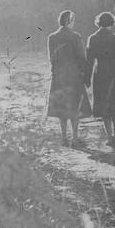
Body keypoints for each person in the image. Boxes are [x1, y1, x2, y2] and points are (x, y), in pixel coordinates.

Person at [46, 10, 92, 147]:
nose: (74, 23)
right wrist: (86, 75)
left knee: (62, 107)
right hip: (73, 76)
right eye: (73, 20)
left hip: (59, 75)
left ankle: (64, 138)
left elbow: (51, 58)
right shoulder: (75, 37)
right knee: (75, 107)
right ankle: (75, 139)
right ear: (69, 21)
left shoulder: (52, 37)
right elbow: (81, 58)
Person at [86, 12, 115, 148]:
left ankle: (109, 137)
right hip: (114, 73)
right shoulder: (114, 38)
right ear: (111, 23)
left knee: (104, 105)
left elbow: (89, 60)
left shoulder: (92, 38)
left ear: (98, 23)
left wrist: (87, 78)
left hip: (100, 73)